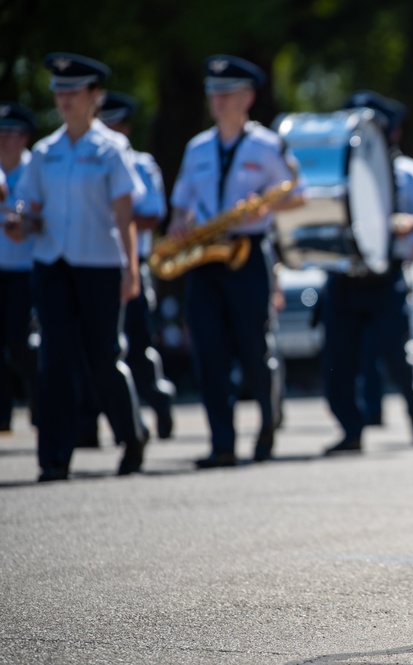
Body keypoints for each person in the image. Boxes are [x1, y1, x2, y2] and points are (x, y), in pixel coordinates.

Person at [6, 53, 149, 481]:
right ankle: (54, 456)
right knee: (55, 359)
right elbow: (29, 210)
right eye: (58, 91)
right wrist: (19, 222)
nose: (63, 99)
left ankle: (131, 436)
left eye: (72, 91)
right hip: (53, 265)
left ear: (94, 96)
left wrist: (131, 266)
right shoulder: (45, 153)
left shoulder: (111, 150)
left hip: (100, 265)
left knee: (102, 359)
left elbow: (125, 214)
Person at [168, 54, 303, 468]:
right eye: (213, 93)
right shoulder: (197, 148)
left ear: (247, 97)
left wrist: (264, 210)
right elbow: (180, 207)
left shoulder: (266, 145)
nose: (218, 101)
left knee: (252, 349)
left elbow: (297, 195)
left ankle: (266, 425)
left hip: (248, 255)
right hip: (206, 258)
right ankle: (222, 444)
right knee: (208, 352)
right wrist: (179, 227)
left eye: (227, 94)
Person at [321, 90, 413, 455]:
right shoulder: (336, 171)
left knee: (395, 354)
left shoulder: (407, 171)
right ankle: (351, 429)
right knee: (338, 359)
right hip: (344, 276)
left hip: (386, 277)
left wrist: (410, 221)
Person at [77, 92, 176, 446]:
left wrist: (113, 214)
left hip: (133, 263)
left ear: (125, 127)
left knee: (136, 346)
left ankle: (158, 399)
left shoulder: (142, 164)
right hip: (94, 263)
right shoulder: (82, 158)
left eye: (114, 123)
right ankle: (88, 426)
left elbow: (152, 216)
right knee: (91, 350)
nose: (108, 129)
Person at [0, 102, 39, 433]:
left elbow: (26, 205)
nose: (3, 139)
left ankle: (39, 404)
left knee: (21, 342)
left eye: (11, 133)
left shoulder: (32, 169)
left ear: (24, 137)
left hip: (25, 269)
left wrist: (17, 216)